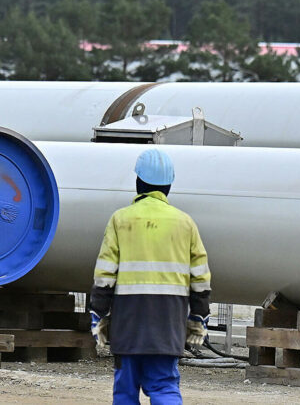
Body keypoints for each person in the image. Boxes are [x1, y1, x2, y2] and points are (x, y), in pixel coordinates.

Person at [89, 148, 212, 405]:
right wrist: (198, 317)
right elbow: (200, 278)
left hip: (127, 323)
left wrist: (98, 315)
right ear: (168, 185)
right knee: (164, 387)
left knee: (125, 390)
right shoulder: (185, 223)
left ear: (138, 182)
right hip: (168, 323)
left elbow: (105, 275)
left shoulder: (120, 220)